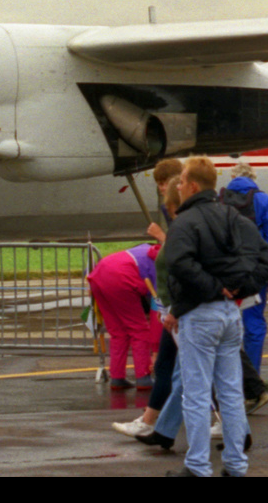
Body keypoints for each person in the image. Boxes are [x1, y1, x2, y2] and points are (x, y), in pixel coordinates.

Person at [160, 156, 268, 477]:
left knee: (195, 395)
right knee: (231, 393)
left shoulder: (185, 221)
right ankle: (236, 465)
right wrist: (238, 289)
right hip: (229, 316)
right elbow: (265, 258)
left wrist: (211, 287)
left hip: (200, 314)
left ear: (192, 186)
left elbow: (179, 263)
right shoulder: (233, 217)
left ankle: (197, 466)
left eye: (181, 181)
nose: (178, 186)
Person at [113, 158, 183, 437]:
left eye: (163, 184)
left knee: (183, 370)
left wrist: (163, 238)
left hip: (183, 306)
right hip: (179, 304)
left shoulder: (183, 218)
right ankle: (156, 425)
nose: (162, 190)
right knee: (173, 368)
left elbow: (185, 256)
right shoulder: (179, 214)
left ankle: (155, 424)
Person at [220, 161, 268, 409]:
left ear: (233, 177)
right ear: (253, 178)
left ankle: (231, 383)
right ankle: (252, 382)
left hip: (226, 274)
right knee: (254, 325)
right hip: (254, 274)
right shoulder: (263, 200)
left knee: (226, 328)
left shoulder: (221, 199)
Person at [88, 243, 162, 389]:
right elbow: (156, 312)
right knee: (139, 330)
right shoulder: (161, 268)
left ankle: (117, 377)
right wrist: (156, 349)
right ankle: (143, 376)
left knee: (118, 332)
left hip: (99, 274)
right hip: (121, 277)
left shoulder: (146, 248)